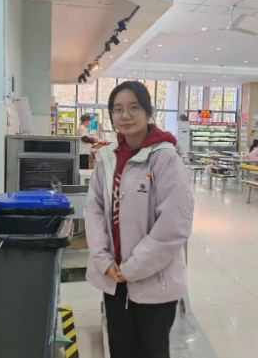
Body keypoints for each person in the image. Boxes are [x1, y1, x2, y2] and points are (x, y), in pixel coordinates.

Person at [84, 81, 194, 358]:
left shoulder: (165, 159)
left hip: (154, 281)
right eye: (118, 109)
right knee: (120, 348)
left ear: (147, 111)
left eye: (134, 107)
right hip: (113, 278)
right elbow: (94, 210)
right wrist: (103, 259)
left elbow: (174, 225)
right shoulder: (107, 157)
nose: (125, 115)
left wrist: (132, 268)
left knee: (151, 350)